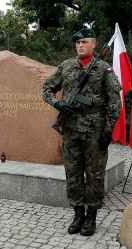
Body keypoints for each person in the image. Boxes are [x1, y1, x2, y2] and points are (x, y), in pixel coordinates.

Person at [41, 28, 121, 236]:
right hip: (70, 128)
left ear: (94, 44)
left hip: (95, 130)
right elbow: (46, 88)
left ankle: (91, 216)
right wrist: (57, 103)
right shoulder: (66, 66)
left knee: (94, 173)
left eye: (84, 42)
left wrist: (108, 130)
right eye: (77, 43)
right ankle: (78, 214)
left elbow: (115, 102)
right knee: (73, 172)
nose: (80, 45)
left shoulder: (104, 69)